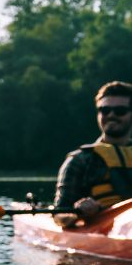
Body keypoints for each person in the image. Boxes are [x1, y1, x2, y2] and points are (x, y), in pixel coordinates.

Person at [53, 81, 132, 226]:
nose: (111, 115)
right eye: (104, 110)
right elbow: (59, 215)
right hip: (103, 229)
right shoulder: (79, 161)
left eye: (120, 111)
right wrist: (77, 211)